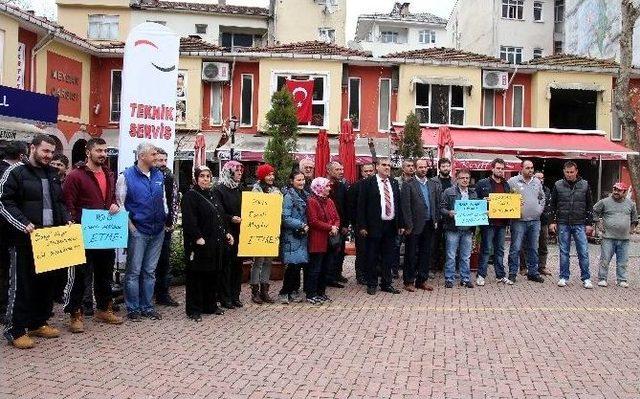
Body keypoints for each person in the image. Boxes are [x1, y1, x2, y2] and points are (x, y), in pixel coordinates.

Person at [0, 134, 71, 349]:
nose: (49, 156)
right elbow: (4, 202)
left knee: (45, 283)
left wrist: (66, 219)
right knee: (21, 285)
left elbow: (59, 202)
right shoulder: (15, 172)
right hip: (22, 240)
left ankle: (38, 322)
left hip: (49, 240)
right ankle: (15, 329)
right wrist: (23, 223)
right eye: (45, 151)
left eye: (51, 152)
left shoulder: (52, 174)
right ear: (32, 148)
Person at [62, 138, 123, 333]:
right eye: (98, 150)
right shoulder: (75, 176)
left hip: (104, 233)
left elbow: (111, 198)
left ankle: (104, 308)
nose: (103, 154)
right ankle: (75, 313)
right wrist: (71, 222)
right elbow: (67, 203)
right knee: (80, 276)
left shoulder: (108, 173)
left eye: (104, 151)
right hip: (83, 233)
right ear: (88, 152)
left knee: (105, 274)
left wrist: (114, 205)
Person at [116, 142, 167, 321]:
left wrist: (165, 219)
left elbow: (163, 199)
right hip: (139, 230)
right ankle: (133, 308)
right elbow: (121, 204)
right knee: (133, 272)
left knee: (149, 271)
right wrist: (132, 228)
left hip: (157, 230)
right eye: (153, 155)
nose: (156, 158)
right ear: (142, 156)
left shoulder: (158, 174)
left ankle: (147, 306)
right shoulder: (126, 176)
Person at [181, 166, 234, 321]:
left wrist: (226, 233)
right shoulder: (191, 196)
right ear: (196, 178)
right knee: (196, 277)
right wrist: (197, 237)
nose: (205, 179)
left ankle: (210, 305)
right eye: (202, 176)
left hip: (215, 242)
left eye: (208, 176)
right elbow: (189, 220)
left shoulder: (213, 194)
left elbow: (220, 217)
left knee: (212, 274)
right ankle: (194, 309)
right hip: (200, 243)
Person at [357, 158, 403, 295]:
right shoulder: (367, 183)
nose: (387, 167)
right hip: (373, 226)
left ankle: (386, 283)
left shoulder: (394, 183)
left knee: (388, 256)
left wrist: (400, 224)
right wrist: (362, 226)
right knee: (372, 256)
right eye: (384, 165)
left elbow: (398, 205)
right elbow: (361, 206)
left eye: (389, 165)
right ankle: (372, 284)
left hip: (390, 225)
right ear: (377, 167)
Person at [549, 161, 595, 289]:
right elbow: (552, 204)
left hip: (580, 223)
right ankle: (563, 277)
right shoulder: (558, 185)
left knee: (583, 252)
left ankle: (586, 278)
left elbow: (590, 205)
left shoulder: (585, 185)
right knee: (564, 251)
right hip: (563, 222)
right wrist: (552, 221)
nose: (569, 174)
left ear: (576, 171)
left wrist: (589, 223)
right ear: (564, 172)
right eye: (567, 172)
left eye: (571, 172)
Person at [401, 158, 441, 292]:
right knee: (411, 254)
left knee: (426, 253)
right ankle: (409, 281)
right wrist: (408, 225)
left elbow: (435, 203)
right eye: (420, 167)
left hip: (429, 224)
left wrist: (435, 220)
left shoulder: (432, 184)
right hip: (414, 225)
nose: (423, 169)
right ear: (415, 168)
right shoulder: (408, 184)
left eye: (425, 167)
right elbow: (405, 207)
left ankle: (422, 280)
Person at [0, 141, 28, 325]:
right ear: (21, 156)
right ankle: (5, 310)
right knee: (8, 272)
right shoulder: (12, 173)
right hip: (8, 230)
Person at [507, 160, 546, 284]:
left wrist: (539, 209)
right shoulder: (512, 181)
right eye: (528, 168)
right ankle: (512, 273)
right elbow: (505, 198)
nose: (530, 170)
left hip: (535, 220)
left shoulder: (537, 182)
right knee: (516, 248)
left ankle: (533, 273)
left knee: (534, 248)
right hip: (518, 220)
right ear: (521, 168)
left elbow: (542, 197)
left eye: (532, 168)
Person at [474, 158, 511, 286]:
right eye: (498, 168)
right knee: (486, 249)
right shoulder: (482, 183)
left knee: (500, 250)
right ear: (492, 168)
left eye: (502, 168)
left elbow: (509, 202)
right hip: (488, 222)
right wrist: (483, 200)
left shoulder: (506, 184)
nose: (500, 171)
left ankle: (500, 275)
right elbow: (474, 199)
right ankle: (481, 275)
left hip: (502, 223)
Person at [594, 182, 638, 288]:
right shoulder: (604, 202)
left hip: (624, 238)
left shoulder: (631, 204)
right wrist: (598, 224)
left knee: (623, 261)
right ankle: (602, 279)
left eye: (619, 190)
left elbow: (635, 219)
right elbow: (595, 211)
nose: (616, 192)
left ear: (625, 192)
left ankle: (622, 279)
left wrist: (631, 229)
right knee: (605, 259)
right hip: (608, 237)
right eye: (614, 189)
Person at [214, 160, 244, 308]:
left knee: (237, 265)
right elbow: (218, 211)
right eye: (236, 171)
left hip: (240, 232)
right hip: (227, 232)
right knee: (226, 265)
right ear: (229, 172)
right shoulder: (219, 189)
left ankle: (235, 295)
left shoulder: (239, 189)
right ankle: (224, 297)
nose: (239, 173)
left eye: (240, 171)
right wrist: (230, 218)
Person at [440, 168, 477, 288]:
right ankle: (449, 279)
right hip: (453, 229)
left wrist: (482, 213)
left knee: (466, 256)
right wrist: (449, 212)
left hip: (467, 230)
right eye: (462, 178)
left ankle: (465, 279)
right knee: (451, 255)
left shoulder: (473, 193)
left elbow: (476, 209)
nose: (465, 180)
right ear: (457, 179)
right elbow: (441, 208)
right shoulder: (448, 191)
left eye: (467, 178)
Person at [250, 164, 281, 304]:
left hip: (271, 229)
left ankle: (265, 290)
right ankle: (255, 291)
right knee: (258, 261)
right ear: (262, 176)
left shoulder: (276, 190)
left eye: (272, 175)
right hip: (259, 230)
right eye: (268, 174)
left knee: (268, 261)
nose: (271, 177)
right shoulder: (255, 190)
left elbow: (279, 207)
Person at [306, 177, 340, 304]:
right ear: (319, 187)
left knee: (325, 268)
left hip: (329, 240)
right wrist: (330, 227)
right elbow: (313, 221)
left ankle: (321, 292)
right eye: (326, 186)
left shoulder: (329, 201)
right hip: (317, 240)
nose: (329, 188)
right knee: (315, 269)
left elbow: (336, 217)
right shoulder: (312, 201)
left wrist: (335, 226)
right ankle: (311, 293)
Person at [153, 148, 180, 308]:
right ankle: (147, 294)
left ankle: (163, 294)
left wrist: (172, 222)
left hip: (166, 227)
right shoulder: (149, 177)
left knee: (164, 262)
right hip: (150, 226)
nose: (162, 164)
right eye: (159, 160)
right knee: (148, 263)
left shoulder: (170, 177)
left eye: (165, 160)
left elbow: (175, 201)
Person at [278, 170, 309, 304]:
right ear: (292, 181)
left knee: (298, 265)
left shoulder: (306, 195)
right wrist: (301, 224)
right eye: (298, 180)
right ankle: (284, 292)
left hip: (302, 235)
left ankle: (293, 291)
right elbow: (285, 218)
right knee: (292, 266)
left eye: (303, 180)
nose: (302, 182)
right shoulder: (289, 196)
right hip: (292, 235)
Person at [520, 170, 552, 276]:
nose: (540, 180)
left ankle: (541, 267)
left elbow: (549, 206)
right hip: (530, 220)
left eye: (541, 178)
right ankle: (524, 267)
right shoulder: (529, 188)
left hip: (543, 221)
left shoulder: (547, 190)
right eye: (537, 177)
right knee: (526, 244)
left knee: (543, 245)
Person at [348, 163, 375, 285]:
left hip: (375, 225)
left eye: (370, 171)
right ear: (362, 172)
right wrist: (356, 224)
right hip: (360, 225)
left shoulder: (378, 185)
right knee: (362, 251)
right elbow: (351, 207)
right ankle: (360, 275)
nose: (368, 173)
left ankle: (372, 272)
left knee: (373, 250)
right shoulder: (355, 186)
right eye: (366, 171)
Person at [326, 161, 349, 287]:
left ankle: (337, 273)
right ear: (328, 171)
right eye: (337, 170)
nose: (341, 172)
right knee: (330, 251)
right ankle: (329, 276)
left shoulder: (342, 186)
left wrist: (345, 224)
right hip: (327, 226)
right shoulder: (323, 185)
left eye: (341, 169)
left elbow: (346, 206)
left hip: (340, 225)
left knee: (340, 251)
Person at [431, 158, 452, 271]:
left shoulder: (454, 182)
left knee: (448, 243)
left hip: (450, 217)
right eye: (443, 166)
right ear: (439, 168)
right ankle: (433, 267)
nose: (446, 168)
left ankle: (445, 266)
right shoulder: (433, 181)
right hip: (437, 216)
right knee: (434, 242)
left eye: (447, 166)